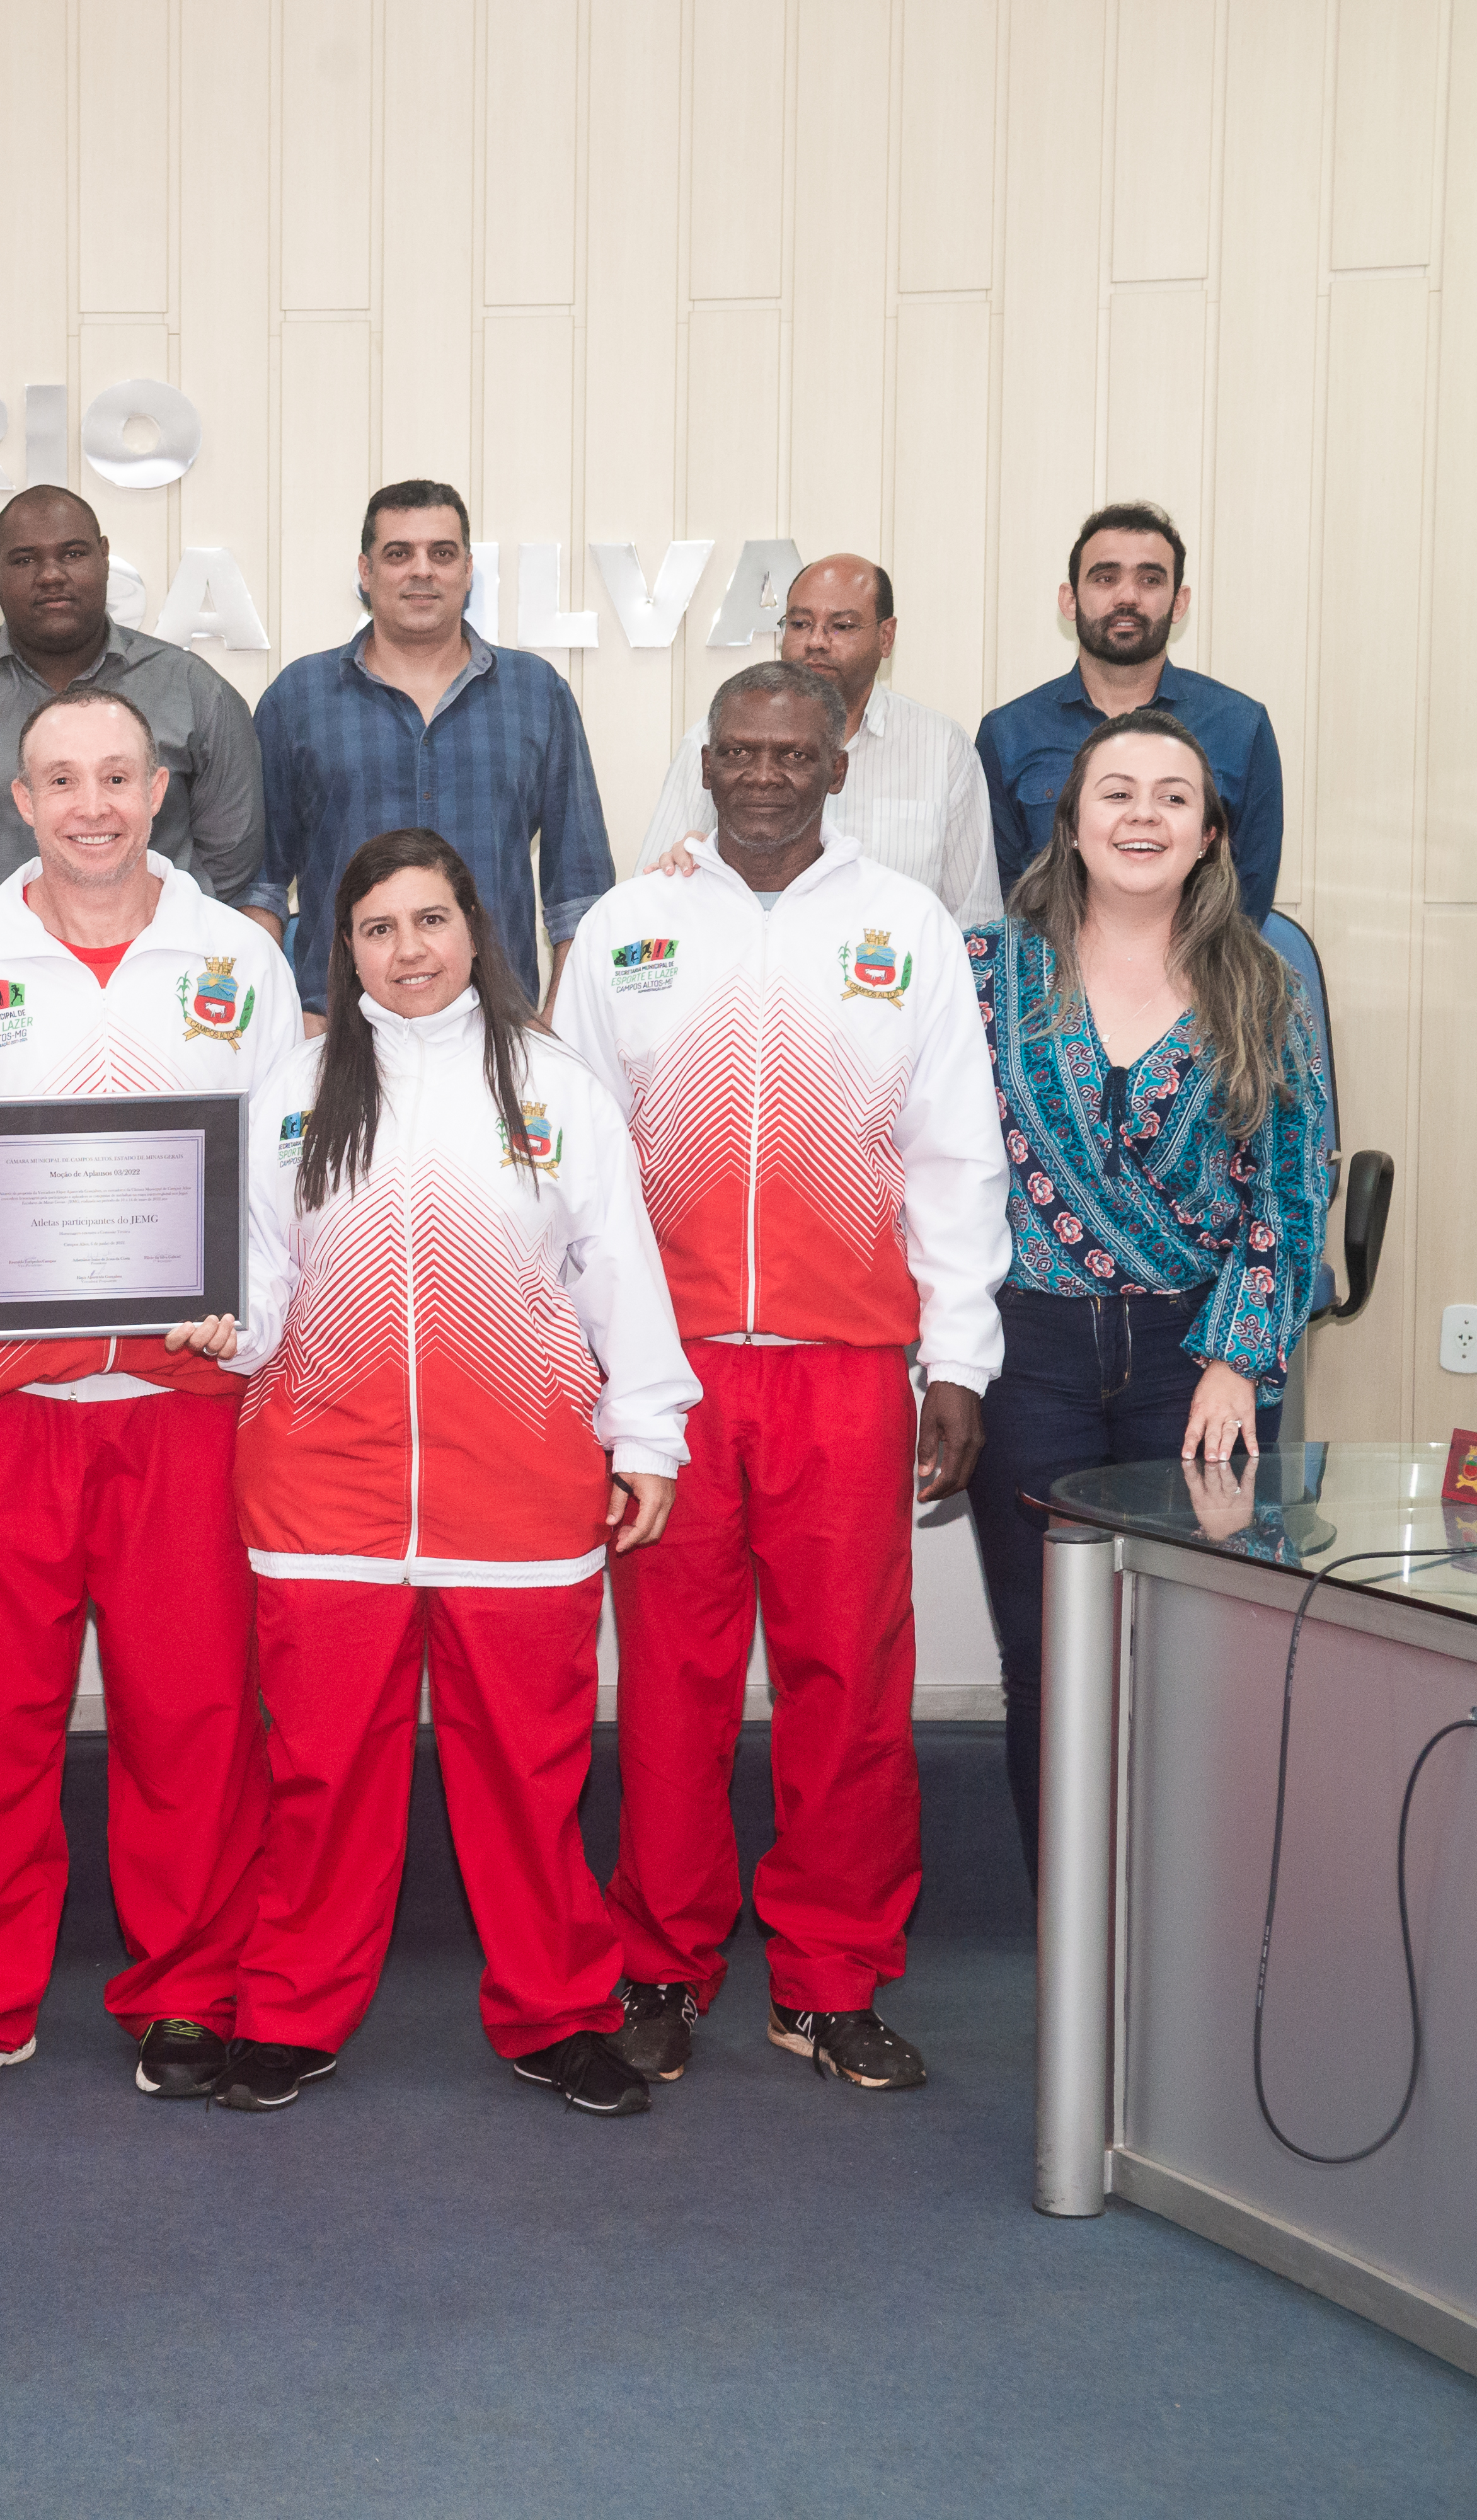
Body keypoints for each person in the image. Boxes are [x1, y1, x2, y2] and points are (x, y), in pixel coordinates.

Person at [0, 686, 302, 2104]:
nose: (91, 803)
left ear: (159, 789)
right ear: (18, 802)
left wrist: (253, 1323)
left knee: (194, 1715)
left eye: (116, 776)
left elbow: (284, 1192)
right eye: (60, 780)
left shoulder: (237, 959)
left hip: (182, 1403)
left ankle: (187, 1989)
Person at [552, 660, 1009, 2095]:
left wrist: (962, 1356)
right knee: (674, 1688)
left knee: (847, 1686)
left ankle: (828, 1978)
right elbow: (566, 1167)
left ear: (832, 767)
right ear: (705, 758)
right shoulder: (627, 930)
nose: (762, 774)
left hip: (846, 1371)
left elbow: (953, 1155)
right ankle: (664, 1964)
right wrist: (593, 1369)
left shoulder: (903, 926)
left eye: (789, 753)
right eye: (739, 751)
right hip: (670, 1385)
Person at [209, 828, 699, 2116]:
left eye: (428, 922)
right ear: (345, 947)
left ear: (473, 928)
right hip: (322, 1494)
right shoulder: (294, 1089)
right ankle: (288, 2009)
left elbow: (614, 1267)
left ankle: (558, 2009)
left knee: (530, 1777)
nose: (406, 951)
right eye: (376, 929)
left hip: (517, 1491)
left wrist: (646, 1430)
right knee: (318, 1774)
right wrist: (225, 1325)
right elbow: (259, 1279)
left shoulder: (552, 1086)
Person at [961, 709, 1334, 1879]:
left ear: (1211, 832)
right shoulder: (983, 970)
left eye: (1172, 796)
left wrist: (1237, 1357)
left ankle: (1185, 1914)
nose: (1141, 815)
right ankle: (1068, 1913)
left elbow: (1290, 1186)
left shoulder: (1262, 981)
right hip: (1028, 1356)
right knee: (1046, 1652)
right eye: (1114, 791)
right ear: (1069, 823)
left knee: (1193, 1648)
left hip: (1200, 1357)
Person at [253, 482, 614, 1029]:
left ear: (468, 571)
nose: (421, 570)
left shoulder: (536, 693)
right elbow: (260, 884)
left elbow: (579, 888)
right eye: (398, 554)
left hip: (499, 1026)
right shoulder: (299, 698)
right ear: (365, 571)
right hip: (336, 1029)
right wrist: (284, 1021)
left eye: (441, 553)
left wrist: (557, 1017)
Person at [0, 484, 273, 929]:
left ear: (104, 558)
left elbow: (230, 863)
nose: (51, 575)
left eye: (73, 554)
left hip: (155, 973)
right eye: (24, 560)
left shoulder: (196, 693)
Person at [631, 554, 1000, 924]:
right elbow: (653, 890)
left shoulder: (940, 746)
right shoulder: (722, 736)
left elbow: (974, 924)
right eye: (800, 624)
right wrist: (686, 860)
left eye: (841, 626)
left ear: (886, 637)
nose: (817, 642)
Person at [977, 503, 1283, 920]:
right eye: (1105, 578)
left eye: (1150, 579)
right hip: (1048, 980)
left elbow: (1246, 902)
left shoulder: (1240, 728)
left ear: (1179, 603)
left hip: (1198, 978)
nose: (1127, 596)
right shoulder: (1007, 734)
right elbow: (1003, 899)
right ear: (1069, 600)